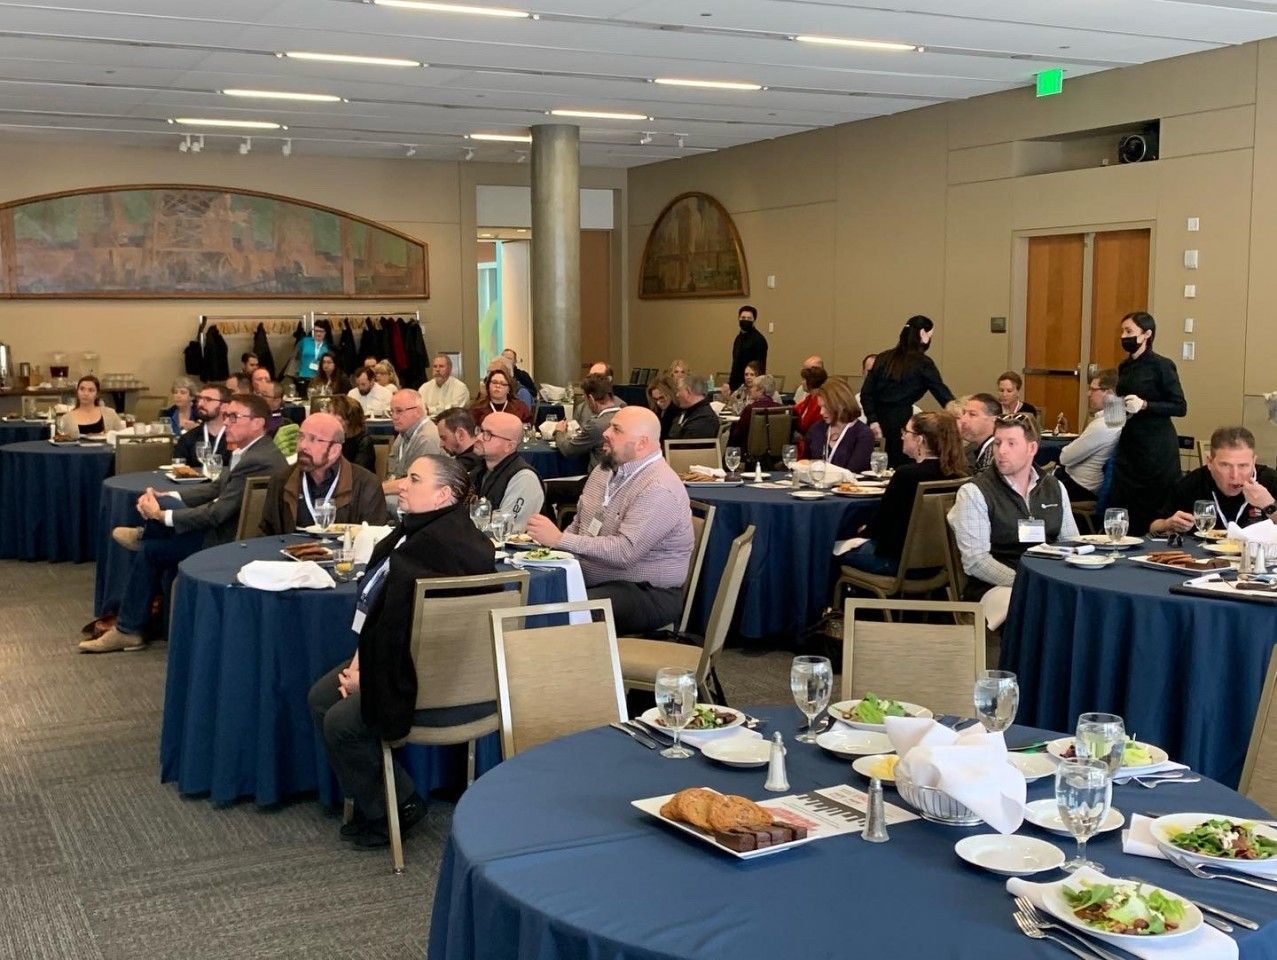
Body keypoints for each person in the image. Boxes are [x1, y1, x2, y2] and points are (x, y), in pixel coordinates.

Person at [307, 455, 495, 848]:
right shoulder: (418, 533)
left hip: (426, 674)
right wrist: (361, 664)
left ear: (443, 494)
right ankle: (393, 800)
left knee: (340, 721)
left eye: (414, 479)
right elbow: (384, 616)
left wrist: (366, 676)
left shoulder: (437, 547)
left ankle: (394, 806)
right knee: (322, 697)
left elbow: (401, 630)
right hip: (407, 659)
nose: (402, 485)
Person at [82, 394, 285, 653]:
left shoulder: (258, 459)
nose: (227, 424)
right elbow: (215, 488)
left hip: (230, 541)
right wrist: (171, 496)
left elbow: (217, 514)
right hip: (225, 529)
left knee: (151, 551)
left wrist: (160, 515)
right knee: (160, 520)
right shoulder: (253, 450)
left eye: (234, 417)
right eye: (226, 416)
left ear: (258, 423)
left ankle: (128, 627)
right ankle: (130, 621)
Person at [526, 407, 693, 635]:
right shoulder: (605, 471)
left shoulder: (658, 488)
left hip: (646, 593)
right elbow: (580, 523)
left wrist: (559, 540)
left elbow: (625, 553)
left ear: (641, 444)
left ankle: (569, 669)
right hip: (595, 580)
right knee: (532, 591)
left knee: (558, 611)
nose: (605, 433)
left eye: (616, 429)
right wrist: (553, 549)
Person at [947, 413, 1079, 600]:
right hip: (996, 587)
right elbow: (977, 562)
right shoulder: (974, 492)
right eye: (997, 443)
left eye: (1011, 443)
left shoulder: (1054, 487)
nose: (1001, 451)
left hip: (1047, 580)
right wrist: (1026, 582)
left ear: (1032, 448)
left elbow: (1070, 542)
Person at [842, 411, 968, 574]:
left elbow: (880, 525)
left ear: (920, 439)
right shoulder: (959, 475)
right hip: (941, 564)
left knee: (831, 551)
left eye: (906, 432)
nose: (902, 436)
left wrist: (862, 530)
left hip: (896, 562)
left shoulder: (907, 475)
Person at [1108, 311, 1189, 535]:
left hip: (1156, 446)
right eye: (1122, 331)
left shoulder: (1162, 365)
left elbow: (1179, 406)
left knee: (1154, 500)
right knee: (1125, 497)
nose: (1123, 336)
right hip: (1130, 442)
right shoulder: (1124, 367)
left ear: (1146, 335)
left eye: (1129, 331)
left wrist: (1146, 405)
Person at [259, 413, 389, 535]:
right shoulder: (282, 480)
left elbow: (375, 541)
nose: (302, 445)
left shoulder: (365, 485)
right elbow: (267, 534)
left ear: (334, 450)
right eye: (300, 437)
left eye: (313, 439)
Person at [861, 315, 955, 466]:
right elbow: (942, 394)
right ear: (923, 335)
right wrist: (958, 415)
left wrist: (873, 421)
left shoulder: (883, 358)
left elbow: (866, 394)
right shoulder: (924, 363)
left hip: (876, 423)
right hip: (902, 424)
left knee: (873, 467)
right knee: (900, 468)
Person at [1148, 427, 1277, 535]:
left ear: (1254, 461)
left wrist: (1269, 506)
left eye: (1243, 465)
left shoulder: (1270, 479)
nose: (1235, 475)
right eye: (1225, 465)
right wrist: (1168, 524)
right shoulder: (1193, 482)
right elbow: (1153, 526)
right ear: (1210, 462)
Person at [1056, 370, 1122, 503]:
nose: (1088, 394)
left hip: (1079, 488)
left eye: (1093, 389)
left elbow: (1064, 457)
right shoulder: (1119, 418)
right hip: (1087, 486)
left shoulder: (1103, 425)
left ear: (1109, 394)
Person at [473, 411, 545, 532]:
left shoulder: (524, 479)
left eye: (488, 434)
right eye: (480, 430)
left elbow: (505, 530)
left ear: (509, 446)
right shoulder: (479, 471)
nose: (479, 437)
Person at [553, 373, 623, 470]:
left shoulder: (596, 425)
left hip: (600, 477)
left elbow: (568, 450)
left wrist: (559, 431)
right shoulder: (625, 416)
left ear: (591, 399)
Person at [382, 389, 441, 504]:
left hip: (423, 497)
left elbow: (417, 481)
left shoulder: (426, 438)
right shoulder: (402, 434)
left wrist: (380, 489)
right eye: (391, 412)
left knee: (379, 501)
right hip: (403, 489)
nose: (394, 417)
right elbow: (392, 471)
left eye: (399, 411)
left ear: (417, 411)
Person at [804, 378, 874, 473]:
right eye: (820, 407)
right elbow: (805, 463)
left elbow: (853, 471)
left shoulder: (863, 434)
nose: (821, 412)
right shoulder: (816, 429)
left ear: (841, 405)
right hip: (816, 485)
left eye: (826, 407)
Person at [173, 383, 230, 467]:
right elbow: (179, 471)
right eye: (200, 399)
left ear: (224, 406)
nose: (200, 404)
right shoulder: (188, 439)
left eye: (208, 399)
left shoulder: (236, 437)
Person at [57, 374, 123, 438]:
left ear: (97, 394)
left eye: (91, 390)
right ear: (77, 392)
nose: (85, 393)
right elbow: (61, 441)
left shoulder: (110, 414)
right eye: (82, 389)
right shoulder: (67, 418)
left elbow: (123, 437)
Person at [728, 374, 780, 449]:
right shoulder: (780, 408)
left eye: (753, 387)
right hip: (775, 450)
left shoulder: (750, 409)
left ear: (761, 390)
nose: (751, 389)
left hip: (750, 451)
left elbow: (737, 434)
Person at [328, 394, 376, 473]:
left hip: (358, 483)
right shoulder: (334, 438)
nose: (329, 416)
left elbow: (357, 473)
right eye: (329, 412)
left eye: (334, 413)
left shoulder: (364, 441)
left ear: (349, 418)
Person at [668, 373, 719, 441]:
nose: (677, 395)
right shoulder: (690, 412)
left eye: (679, 390)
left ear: (688, 392)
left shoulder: (704, 420)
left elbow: (685, 448)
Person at [958, 393, 1000, 474]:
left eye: (972, 414)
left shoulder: (997, 453)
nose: (963, 420)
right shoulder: (973, 448)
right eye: (964, 413)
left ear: (994, 420)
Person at [434, 406, 482, 475]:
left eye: (444, 438)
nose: (441, 445)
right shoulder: (484, 457)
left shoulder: (460, 469)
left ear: (460, 434)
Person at [729, 304, 768, 390]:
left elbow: (760, 367)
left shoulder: (759, 340)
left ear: (754, 320)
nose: (745, 320)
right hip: (736, 386)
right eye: (743, 318)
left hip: (751, 386)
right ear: (738, 319)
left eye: (749, 318)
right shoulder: (738, 338)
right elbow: (735, 363)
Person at [793, 364, 828, 447]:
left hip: (813, 441)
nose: (802, 383)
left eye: (804, 380)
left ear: (811, 381)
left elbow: (808, 423)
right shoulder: (809, 397)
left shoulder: (819, 400)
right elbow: (796, 408)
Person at [293, 321, 331, 389]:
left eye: (321, 331)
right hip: (303, 377)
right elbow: (295, 357)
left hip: (319, 378)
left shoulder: (328, 346)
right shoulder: (304, 341)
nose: (318, 333)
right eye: (316, 331)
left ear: (325, 332)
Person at [646, 375, 679, 443]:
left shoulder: (677, 412)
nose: (658, 403)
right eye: (655, 399)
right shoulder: (657, 410)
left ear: (671, 393)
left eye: (662, 398)